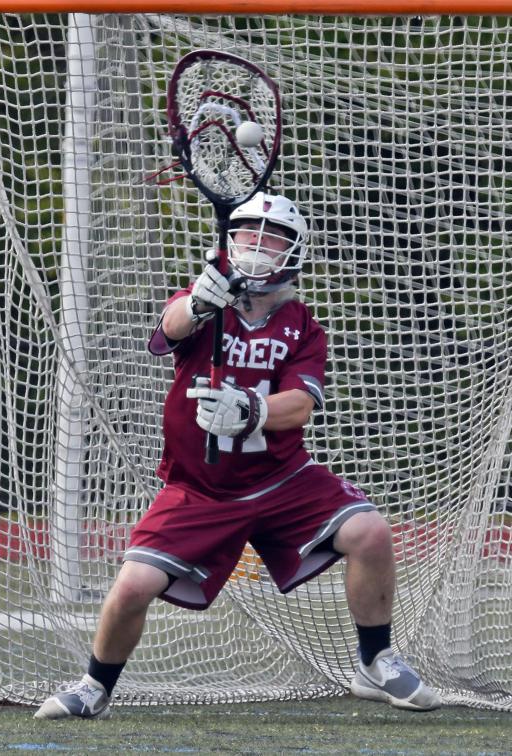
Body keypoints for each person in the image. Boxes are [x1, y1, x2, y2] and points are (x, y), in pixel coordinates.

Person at [34, 192, 442, 720]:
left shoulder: (301, 324)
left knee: (371, 531)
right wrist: (199, 304)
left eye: (272, 238)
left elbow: (299, 406)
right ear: (231, 240)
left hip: (282, 479)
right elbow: (168, 329)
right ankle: (94, 687)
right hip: (199, 489)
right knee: (133, 585)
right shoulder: (206, 298)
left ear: (294, 251)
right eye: (249, 233)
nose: (257, 245)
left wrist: (251, 409)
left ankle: (375, 661)